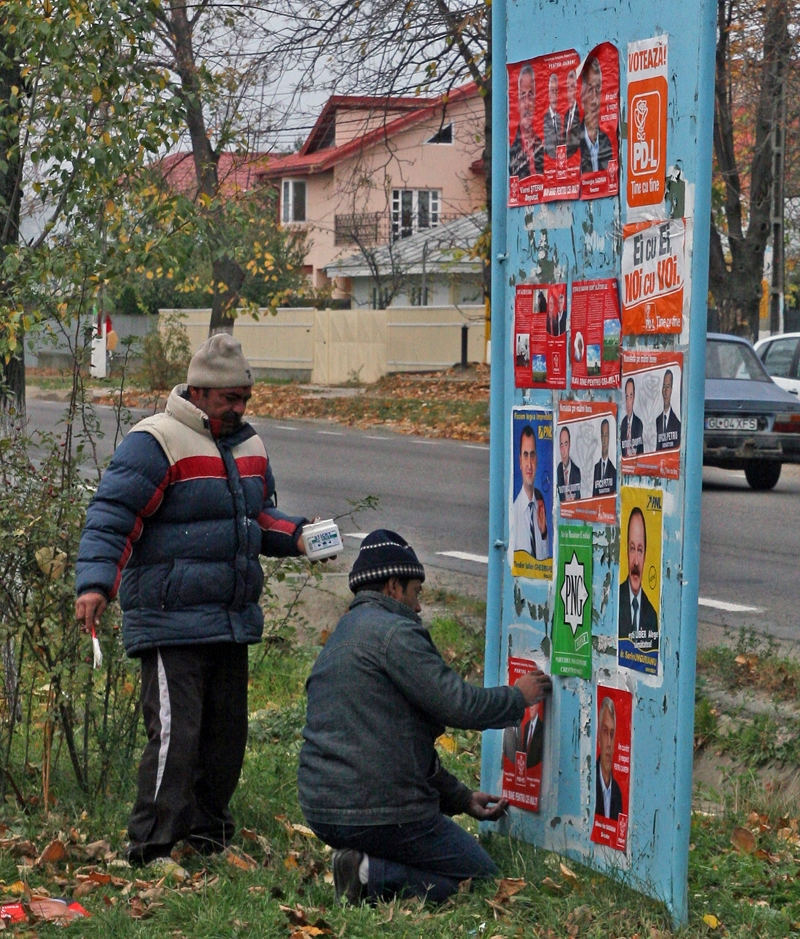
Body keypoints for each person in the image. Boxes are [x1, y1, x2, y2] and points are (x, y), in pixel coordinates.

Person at [75, 334, 313, 865]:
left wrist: (298, 536)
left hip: (229, 619)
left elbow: (256, 520)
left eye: (245, 398)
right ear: (200, 392)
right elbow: (112, 516)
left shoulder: (250, 446)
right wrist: (95, 584)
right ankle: (151, 844)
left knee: (224, 739)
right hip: (168, 618)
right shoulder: (155, 441)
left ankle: (208, 836)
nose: (240, 407)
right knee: (176, 737)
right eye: (230, 398)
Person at [298, 530, 552, 905]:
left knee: (448, 866)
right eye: (416, 592)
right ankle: (369, 874)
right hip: (377, 811)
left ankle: (360, 862)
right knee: (480, 881)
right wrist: (518, 697)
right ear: (392, 586)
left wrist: (461, 798)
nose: (418, 607)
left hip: (323, 808)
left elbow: (394, 741)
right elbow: (458, 704)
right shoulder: (395, 632)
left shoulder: (342, 635)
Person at [618, 507, 658, 640]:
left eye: (640, 550)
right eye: (632, 549)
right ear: (626, 552)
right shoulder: (616, 600)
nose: (635, 562)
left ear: (645, 555)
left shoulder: (652, 615)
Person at [511, 425, 551, 560]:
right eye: (525, 455)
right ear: (520, 462)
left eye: (532, 455)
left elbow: (544, 560)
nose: (529, 464)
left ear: (537, 460)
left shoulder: (540, 509)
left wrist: (544, 532)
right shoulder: (514, 512)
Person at [579, 57, 613, 174]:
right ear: (582, 97)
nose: (595, 101)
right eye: (590, 90)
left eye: (597, 90)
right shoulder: (574, 143)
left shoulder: (606, 142)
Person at [509, 64, 544, 178]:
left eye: (531, 95)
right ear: (518, 104)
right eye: (523, 96)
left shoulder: (544, 147)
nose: (527, 104)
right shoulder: (510, 153)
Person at [595, 696, 623, 820]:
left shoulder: (617, 793)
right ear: (598, 737)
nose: (608, 742)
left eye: (612, 733)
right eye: (605, 732)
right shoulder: (589, 781)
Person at [502, 705, 544, 769]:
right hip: (510, 769)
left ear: (537, 706)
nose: (531, 708)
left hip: (533, 771)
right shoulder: (507, 727)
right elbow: (504, 750)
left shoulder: (541, 727)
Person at [655, 369, 681, 450]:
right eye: (664, 386)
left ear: (672, 389)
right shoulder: (657, 420)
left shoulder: (677, 424)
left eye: (668, 387)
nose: (665, 391)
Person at [620, 377, 644, 457]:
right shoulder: (622, 424)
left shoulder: (638, 423)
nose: (628, 402)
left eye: (630, 396)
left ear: (634, 397)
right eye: (627, 397)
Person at [592, 419, 617, 496]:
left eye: (606, 435)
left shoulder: (613, 471)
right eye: (602, 435)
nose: (604, 440)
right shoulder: (596, 468)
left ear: (609, 437)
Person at [556, 426, 581, 501]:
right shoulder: (558, 470)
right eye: (561, 445)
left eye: (566, 444)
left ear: (569, 445)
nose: (563, 451)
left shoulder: (576, 472)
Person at [543, 73, 562, 159]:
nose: (554, 95)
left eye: (556, 91)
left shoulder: (559, 118)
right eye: (552, 91)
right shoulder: (543, 119)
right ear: (548, 94)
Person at [563, 69, 581, 156]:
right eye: (568, 88)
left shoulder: (580, 113)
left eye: (572, 87)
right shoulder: (566, 116)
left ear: (577, 89)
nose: (570, 93)